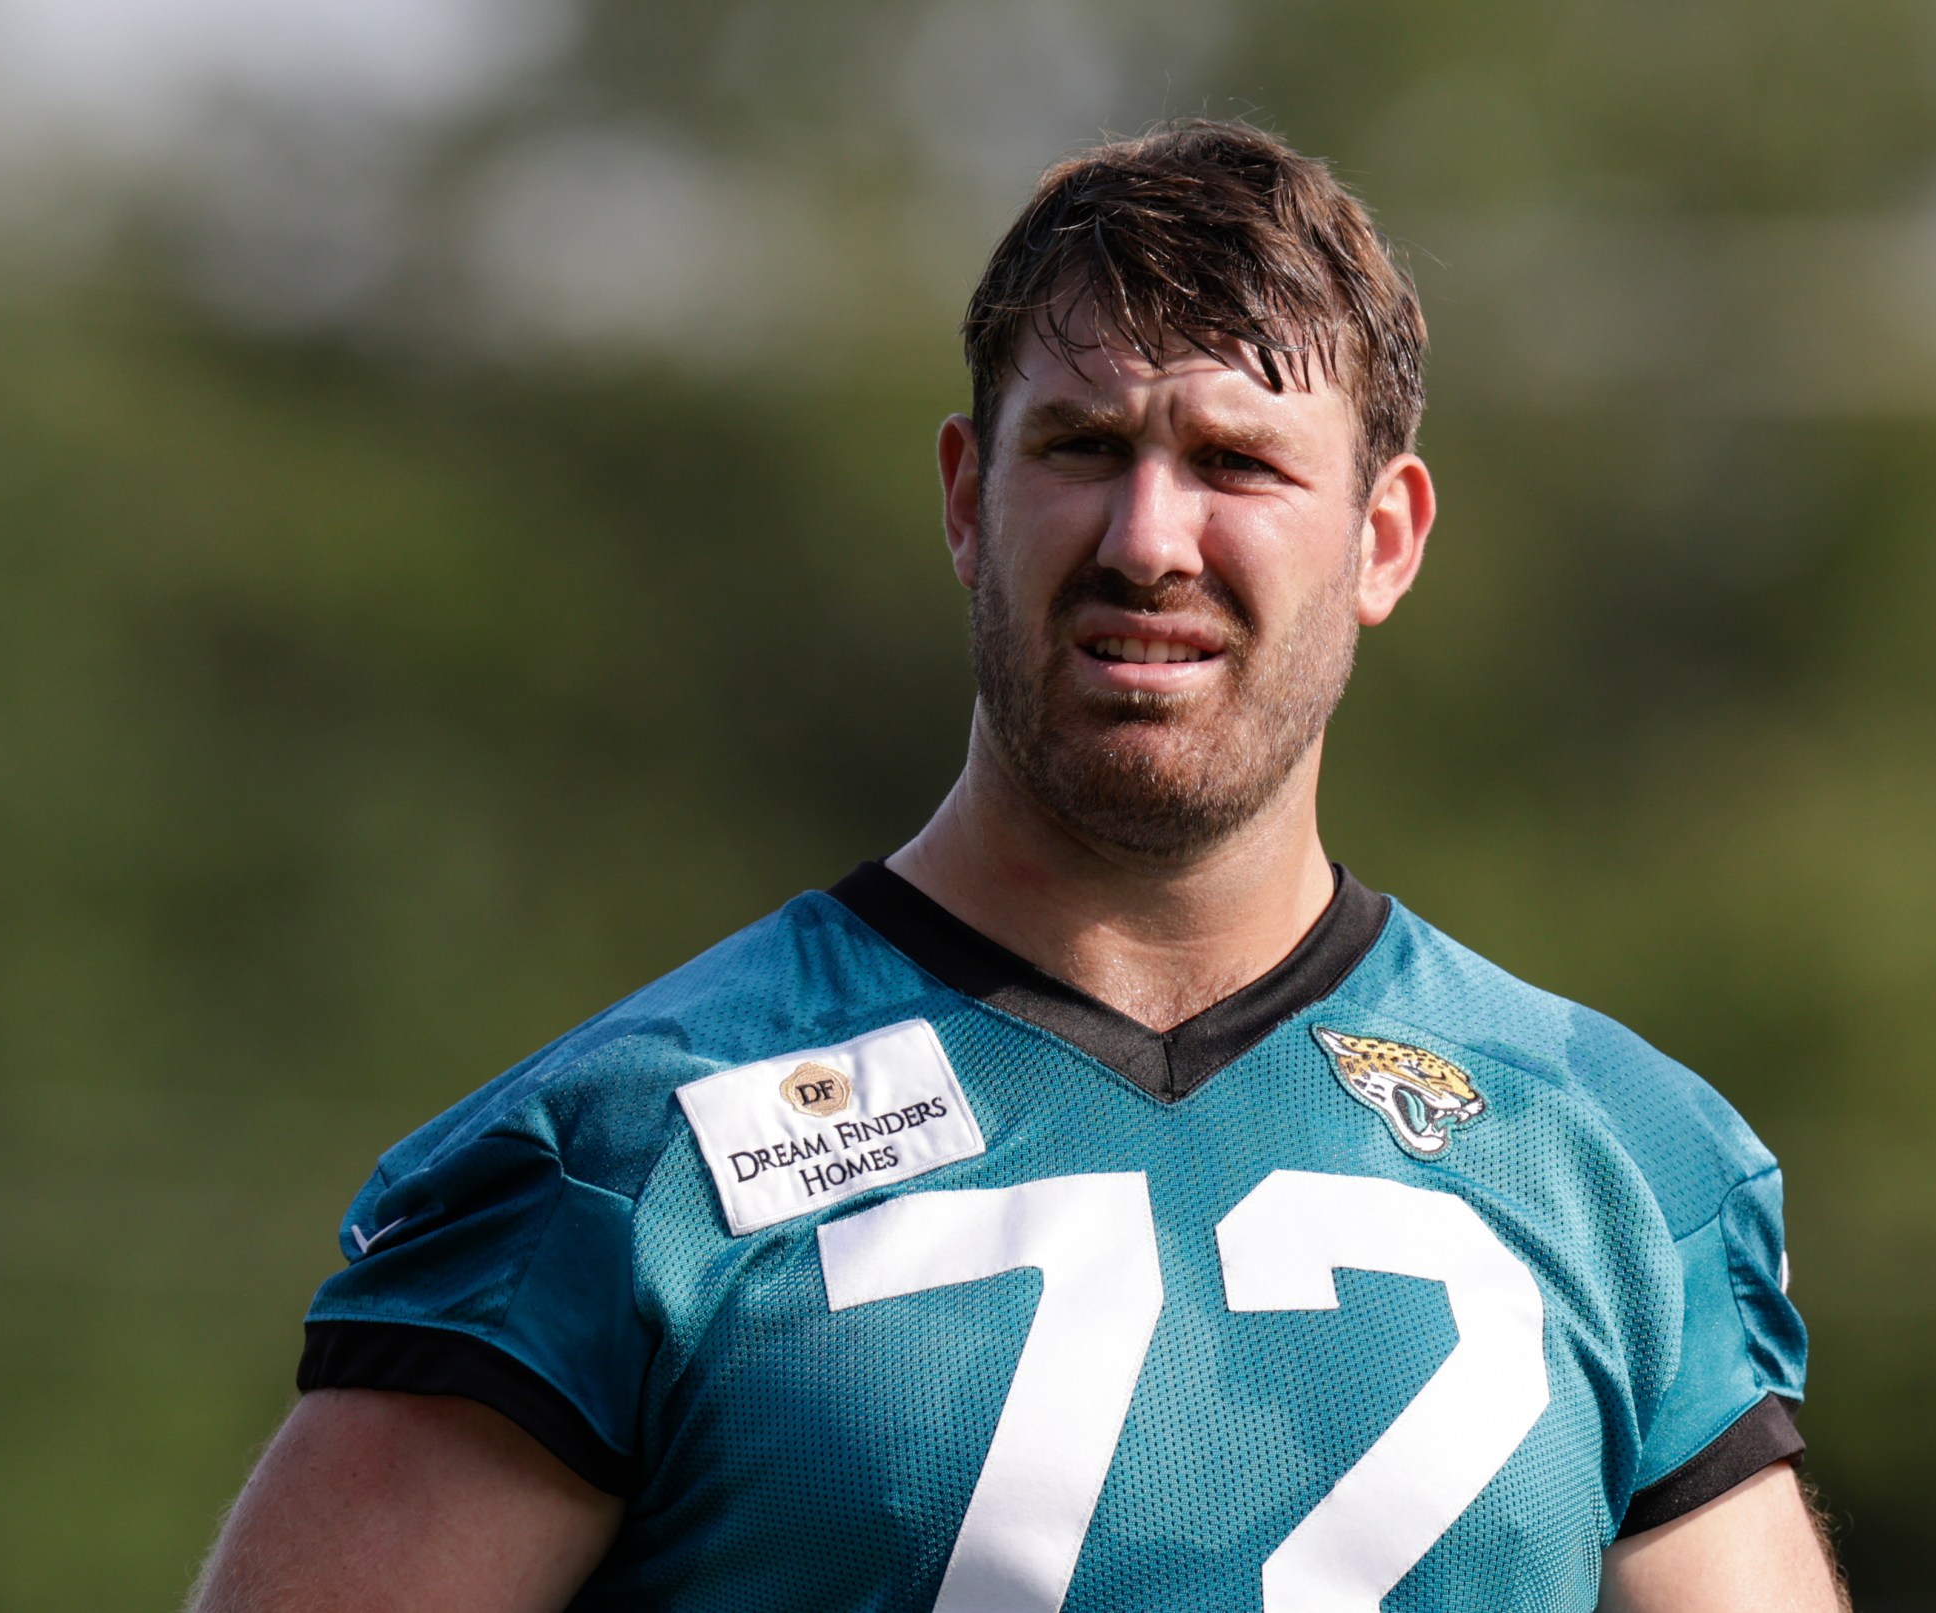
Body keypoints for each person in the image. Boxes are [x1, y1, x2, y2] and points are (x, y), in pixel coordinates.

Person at [190, 120, 1845, 1613]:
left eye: (1237, 462)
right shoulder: (628, 1159)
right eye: (1081, 448)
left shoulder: (1619, 1165)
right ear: (969, 499)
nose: (1147, 539)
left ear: (1385, 538)